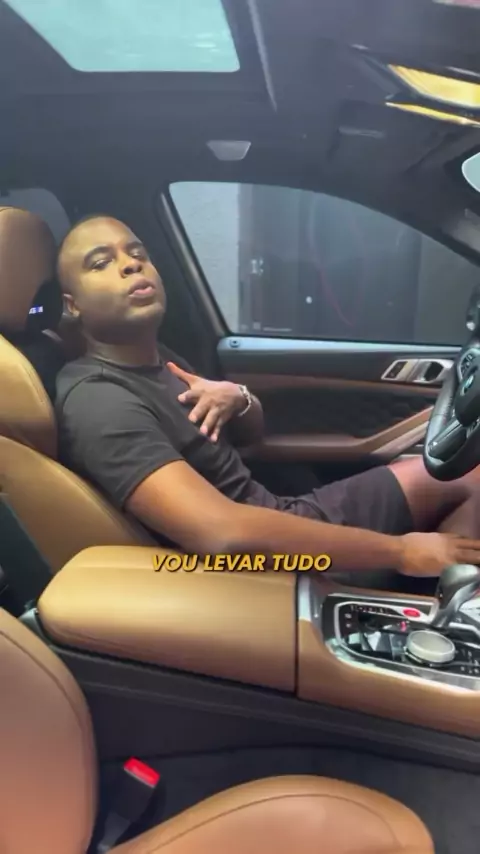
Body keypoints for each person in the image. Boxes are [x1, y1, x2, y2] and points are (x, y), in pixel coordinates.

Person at [55, 215, 480, 586]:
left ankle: (456, 603)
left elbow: (250, 439)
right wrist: (401, 552)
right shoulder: (98, 400)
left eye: (137, 253)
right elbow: (221, 534)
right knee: (468, 479)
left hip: (279, 516)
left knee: (462, 474)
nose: (131, 264)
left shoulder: (159, 361)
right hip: (264, 566)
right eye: (101, 263)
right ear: (72, 306)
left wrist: (237, 398)